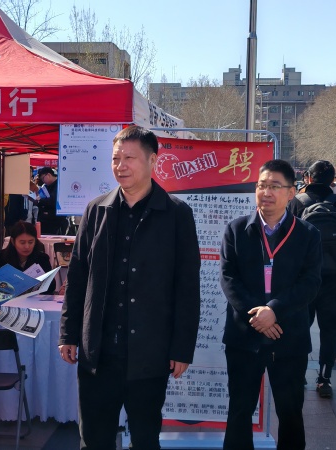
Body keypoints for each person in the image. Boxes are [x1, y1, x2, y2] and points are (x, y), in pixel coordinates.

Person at [58, 126, 201, 450]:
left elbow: (187, 287)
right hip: (99, 353)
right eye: (115, 158)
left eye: (129, 158)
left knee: (145, 439)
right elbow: (77, 277)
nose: (120, 165)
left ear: (153, 161)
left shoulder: (176, 214)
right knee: (94, 439)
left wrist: (182, 348)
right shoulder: (96, 210)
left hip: (150, 352)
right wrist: (68, 333)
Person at [220, 159, 322, 450]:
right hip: (245, 336)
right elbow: (229, 279)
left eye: (275, 186)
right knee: (239, 411)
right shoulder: (237, 230)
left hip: (288, 337)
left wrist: (274, 310)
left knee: (290, 413)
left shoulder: (307, 234)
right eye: (261, 185)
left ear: (291, 192)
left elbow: (310, 283)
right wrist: (258, 316)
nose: (266, 192)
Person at [288, 160, 336, 398]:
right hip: (334, 278)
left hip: (302, 279)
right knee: (330, 328)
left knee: (300, 327)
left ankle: (298, 375)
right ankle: (324, 378)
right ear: (332, 180)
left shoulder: (296, 202)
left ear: (308, 178)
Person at [0, 221, 56, 294]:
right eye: (22, 242)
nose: (27, 247)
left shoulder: (42, 258)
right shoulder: (2, 257)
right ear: (13, 241)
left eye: (30, 242)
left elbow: (51, 287)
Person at [36, 167, 68, 235]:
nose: (43, 181)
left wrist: (41, 200)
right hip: (45, 220)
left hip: (55, 221)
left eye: (43, 178)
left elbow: (53, 201)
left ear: (48, 175)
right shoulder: (46, 186)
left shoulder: (59, 185)